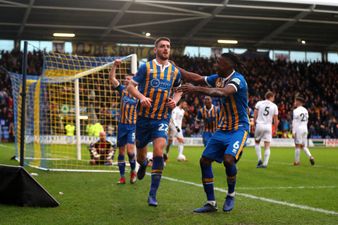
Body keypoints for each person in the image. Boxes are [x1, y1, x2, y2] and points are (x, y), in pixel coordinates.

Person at [177, 53, 249, 213]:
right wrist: (176, 68)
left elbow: (223, 93)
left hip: (239, 128)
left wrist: (195, 90)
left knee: (228, 160)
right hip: (223, 129)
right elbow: (196, 78)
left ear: (228, 66)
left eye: (219, 63)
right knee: (204, 161)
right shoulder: (218, 78)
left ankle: (231, 194)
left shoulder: (238, 79)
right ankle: (211, 203)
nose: (216, 65)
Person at [127, 37, 182, 207]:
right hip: (143, 118)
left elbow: (179, 90)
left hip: (161, 118)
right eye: (162, 46)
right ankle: (142, 164)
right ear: (155, 49)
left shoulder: (174, 71)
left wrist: (175, 101)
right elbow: (130, 87)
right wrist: (142, 97)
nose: (166, 49)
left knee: (159, 151)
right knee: (141, 155)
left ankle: (152, 194)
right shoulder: (146, 67)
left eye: (168, 47)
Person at [109, 59, 138, 184]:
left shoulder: (139, 94)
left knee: (130, 152)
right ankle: (122, 177)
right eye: (125, 79)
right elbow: (112, 78)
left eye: (128, 79)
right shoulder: (123, 91)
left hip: (132, 126)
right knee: (121, 152)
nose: (126, 80)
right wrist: (115, 65)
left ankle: (133, 171)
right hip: (121, 126)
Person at [254, 91, 279, 168]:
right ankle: (265, 164)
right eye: (273, 97)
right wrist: (275, 129)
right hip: (268, 126)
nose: (274, 99)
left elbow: (255, 114)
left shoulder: (259, 103)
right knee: (267, 146)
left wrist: (255, 123)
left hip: (259, 125)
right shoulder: (274, 106)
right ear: (271, 97)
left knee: (257, 142)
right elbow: (276, 120)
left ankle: (259, 159)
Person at [292, 95, 315, 166]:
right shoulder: (305, 110)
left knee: (297, 145)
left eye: (295, 101)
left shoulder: (295, 111)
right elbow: (307, 120)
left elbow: (294, 122)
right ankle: (310, 156)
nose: (294, 102)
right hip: (305, 128)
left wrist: (293, 132)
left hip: (299, 129)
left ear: (298, 102)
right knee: (304, 146)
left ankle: (297, 162)